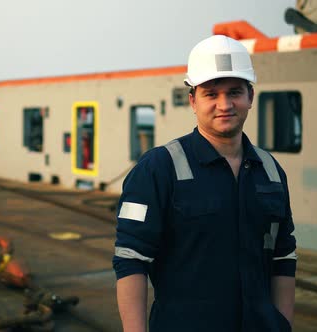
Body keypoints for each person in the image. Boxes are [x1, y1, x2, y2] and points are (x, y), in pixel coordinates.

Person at [112, 35, 297, 332]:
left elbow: (284, 256)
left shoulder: (271, 171)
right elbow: (131, 259)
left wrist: (281, 325)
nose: (225, 105)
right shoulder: (158, 168)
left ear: (250, 96)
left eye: (234, 92)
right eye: (211, 94)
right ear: (193, 100)